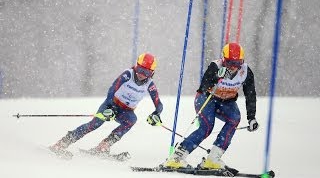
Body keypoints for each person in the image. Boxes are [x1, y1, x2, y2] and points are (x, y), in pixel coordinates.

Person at [163, 42, 259, 171]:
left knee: (234, 119)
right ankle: (177, 157)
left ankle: (213, 159)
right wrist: (217, 76)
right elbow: (203, 86)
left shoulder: (246, 71)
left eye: (237, 63)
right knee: (207, 127)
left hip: (226, 102)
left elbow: (250, 94)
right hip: (206, 98)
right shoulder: (216, 65)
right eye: (230, 63)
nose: (233, 67)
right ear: (223, 59)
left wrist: (251, 117)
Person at [50, 53, 163, 159]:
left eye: (146, 72)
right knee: (95, 124)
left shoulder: (150, 84)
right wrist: (110, 107)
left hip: (125, 111)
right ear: (136, 66)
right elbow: (112, 89)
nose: (142, 74)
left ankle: (103, 146)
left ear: (152, 73)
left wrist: (156, 113)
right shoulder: (128, 74)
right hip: (111, 104)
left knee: (132, 120)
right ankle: (62, 143)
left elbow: (158, 103)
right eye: (140, 69)